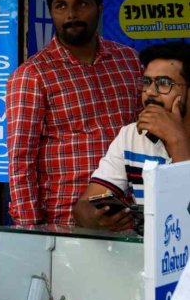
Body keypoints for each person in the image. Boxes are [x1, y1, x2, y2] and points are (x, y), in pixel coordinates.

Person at [7, 0, 140, 226]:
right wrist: (30, 230)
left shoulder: (128, 61)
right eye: (61, 6)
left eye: (81, 4)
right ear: (51, 13)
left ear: (99, 8)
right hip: (65, 220)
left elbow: (141, 135)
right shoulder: (33, 75)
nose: (71, 15)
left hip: (127, 215)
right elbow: (20, 160)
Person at [73, 42, 190, 231]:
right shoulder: (132, 135)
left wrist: (177, 142)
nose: (150, 92)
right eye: (146, 82)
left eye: (164, 84)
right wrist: (96, 218)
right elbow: (83, 206)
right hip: (144, 256)